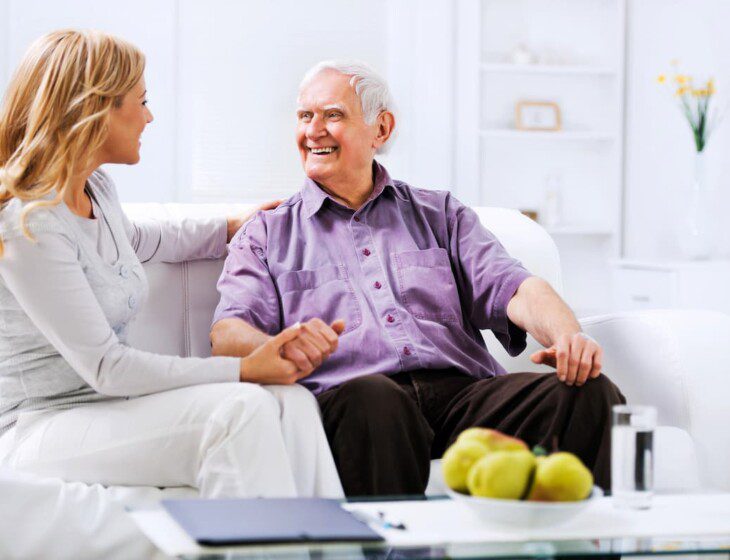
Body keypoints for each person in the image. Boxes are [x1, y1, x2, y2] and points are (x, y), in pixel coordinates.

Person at [211, 60, 626, 497]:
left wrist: (568, 337)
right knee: (374, 400)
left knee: (588, 394)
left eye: (332, 115)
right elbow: (227, 332)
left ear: (381, 129)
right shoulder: (268, 232)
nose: (313, 130)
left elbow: (516, 287)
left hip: (463, 397)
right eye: (304, 116)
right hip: (358, 401)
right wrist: (281, 345)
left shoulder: (439, 214)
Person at [0, 30, 342, 499]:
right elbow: (109, 368)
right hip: (40, 425)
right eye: (140, 101)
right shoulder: (28, 224)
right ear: (96, 109)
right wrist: (245, 370)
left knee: (292, 402)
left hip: (107, 408)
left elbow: (141, 238)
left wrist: (232, 224)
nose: (149, 116)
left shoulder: (94, 189)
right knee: (239, 412)